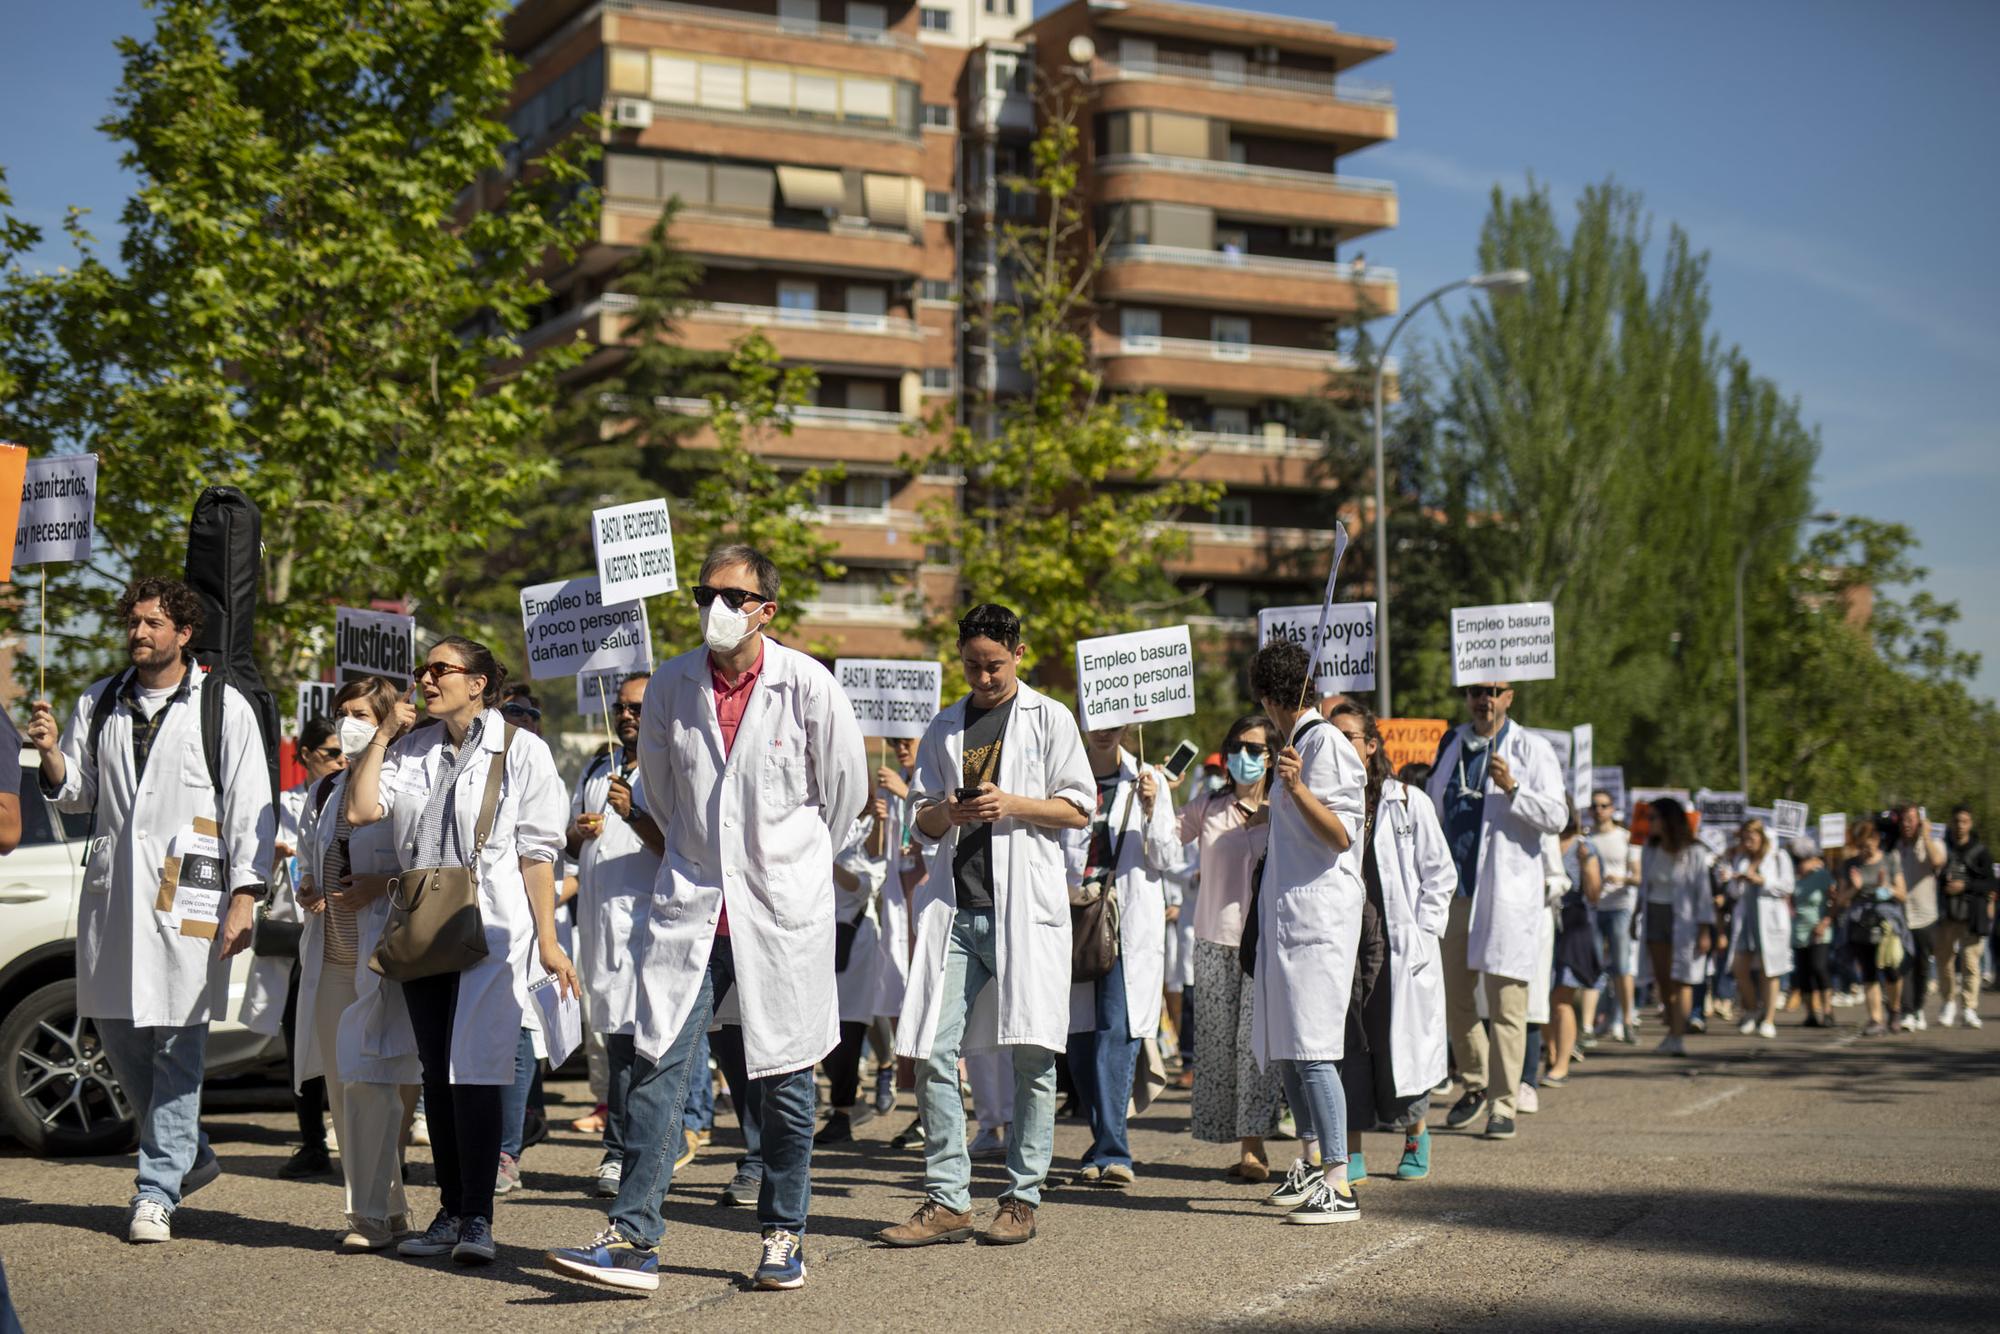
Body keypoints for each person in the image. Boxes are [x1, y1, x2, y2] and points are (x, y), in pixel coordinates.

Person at [550, 544, 866, 1292]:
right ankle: (633, 1239)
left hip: (780, 908)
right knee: (658, 1066)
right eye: (705, 593)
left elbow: (845, 797)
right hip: (691, 904)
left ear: (767, 609)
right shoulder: (669, 684)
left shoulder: (809, 687)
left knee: (785, 1081)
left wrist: (788, 861)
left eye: (732, 595)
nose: (714, 607)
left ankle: (782, 1234)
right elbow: (660, 789)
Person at [26, 576, 276, 1244]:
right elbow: (76, 796)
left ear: (184, 633)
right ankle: (189, 1153)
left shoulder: (222, 705)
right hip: (117, 893)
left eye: (152, 623)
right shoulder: (100, 700)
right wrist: (50, 754)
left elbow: (252, 804)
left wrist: (247, 894)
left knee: (178, 1039)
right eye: (132, 623)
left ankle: (156, 1189)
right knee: (117, 1030)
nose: (139, 633)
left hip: (191, 894)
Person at [344, 636, 576, 1266]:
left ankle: (479, 1217)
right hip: (423, 923)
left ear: (478, 682)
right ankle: (450, 1210)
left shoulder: (522, 750)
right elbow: (364, 809)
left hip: (492, 929)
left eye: (441, 669)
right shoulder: (411, 747)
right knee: (436, 1077)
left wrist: (549, 944)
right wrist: (385, 736)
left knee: (476, 1072)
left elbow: (538, 853)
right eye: (423, 670)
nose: (426, 679)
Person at [878, 603, 1092, 1248]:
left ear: (1018, 654)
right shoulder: (947, 724)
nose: (984, 677)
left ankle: (1022, 1198)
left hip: (1023, 911)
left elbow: (1079, 807)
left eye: (994, 664)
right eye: (972, 665)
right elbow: (920, 822)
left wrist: (1012, 804)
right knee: (933, 1050)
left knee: (1031, 1053)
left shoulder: (1049, 717)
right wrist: (948, 811)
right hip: (956, 911)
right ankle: (948, 1199)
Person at [294, 676, 423, 1250]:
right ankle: (391, 1211)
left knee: (373, 1084)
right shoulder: (325, 791)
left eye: (361, 714)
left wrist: (383, 884)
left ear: (389, 720)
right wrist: (307, 885)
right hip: (331, 957)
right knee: (346, 1090)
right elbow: (307, 856)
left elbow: (428, 864)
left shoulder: (408, 778)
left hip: (380, 957)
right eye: (342, 712)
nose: (348, 722)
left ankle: (367, 1215)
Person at [1244, 642, 1365, 1224]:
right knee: (1291, 1050)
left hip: (1319, 922)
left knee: (1315, 1051)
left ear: (1270, 700)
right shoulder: (1301, 746)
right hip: (1289, 919)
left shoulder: (1328, 746)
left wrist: (1295, 789)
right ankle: (1314, 1163)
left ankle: (1340, 1182)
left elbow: (1340, 834)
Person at [1422, 681, 1566, 1141]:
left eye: (1494, 691)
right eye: (1475, 691)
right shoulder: (1452, 744)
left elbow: (1557, 817)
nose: (1483, 699)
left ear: (1510, 697)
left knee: (1506, 1002)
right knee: (1455, 998)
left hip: (1504, 893)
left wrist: (1514, 787)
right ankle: (1477, 1082)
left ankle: (1503, 1103)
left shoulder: (1532, 749)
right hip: (1454, 891)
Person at [1321, 702, 1453, 1188]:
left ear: (1372, 746)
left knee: (1402, 1045)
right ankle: (1350, 1149)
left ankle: (1416, 1135)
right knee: (1349, 1043)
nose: (1339, 746)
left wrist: (1424, 933)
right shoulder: (1327, 803)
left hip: (1398, 946)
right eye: (1331, 738)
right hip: (1342, 942)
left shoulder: (1408, 801)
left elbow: (1441, 874)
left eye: (1348, 737)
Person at [1062, 722, 1182, 1188]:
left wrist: (1153, 809)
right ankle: (1101, 1141)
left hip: (1123, 924)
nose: (1103, 732)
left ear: (1129, 725)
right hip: (1073, 921)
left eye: (1114, 723)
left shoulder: (1146, 778)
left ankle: (1114, 1150)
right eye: (1095, 720)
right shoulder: (1063, 778)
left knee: (1116, 1031)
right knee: (1079, 1039)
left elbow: (1167, 857)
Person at [566, 672, 664, 1199]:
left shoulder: (666, 766)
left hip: (646, 929)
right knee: (614, 1042)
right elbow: (567, 844)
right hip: (600, 931)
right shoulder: (598, 768)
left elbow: (679, 845)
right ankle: (627, 1148)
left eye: (637, 708)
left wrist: (634, 814)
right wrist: (578, 832)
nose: (626, 716)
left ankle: (623, 1151)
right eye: (622, 709)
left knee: (635, 1049)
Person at [1177, 714, 1279, 1180]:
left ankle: (1254, 1145)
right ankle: (1237, 1139)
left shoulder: (1284, 807)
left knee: (1255, 1047)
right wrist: (1157, 797)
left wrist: (1275, 815)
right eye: (1238, 746)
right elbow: (1163, 844)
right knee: (1219, 1050)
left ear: (1273, 755)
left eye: (1256, 748)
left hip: (1265, 943)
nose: (1246, 756)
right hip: (1214, 941)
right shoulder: (1207, 807)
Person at [252, 715, 343, 1182]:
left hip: (345, 932)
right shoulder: (285, 805)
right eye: (330, 752)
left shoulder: (352, 794)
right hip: (298, 938)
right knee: (301, 1035)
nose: (340, 759)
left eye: (343, 751)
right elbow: (252, 870)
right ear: (306, 756)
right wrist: (275, 855)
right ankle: (311, 1142)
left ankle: (366, 1144)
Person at [821, 804, 889, 1145]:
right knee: (817, 1027)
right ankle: (849, 1101)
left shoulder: (873, 828)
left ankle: (844, 1111)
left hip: (855, 939)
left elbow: (863, 886)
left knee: (847, 1028)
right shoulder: (823, 820)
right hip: (818, 934)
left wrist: (823, 859)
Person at [1638, 799, 1716, 1057]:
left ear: (1668, 820)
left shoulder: (1694, 852)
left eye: (1654, 818)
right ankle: (1671, 1030)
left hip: (1683, 920)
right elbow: (1643, 888)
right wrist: (1635, 917)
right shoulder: (1649, 849)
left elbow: (1703, 894)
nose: (1649, 824)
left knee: (1681, 978)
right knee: (1663, 980)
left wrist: (1705, 930)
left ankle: (1678, 1036)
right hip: (1655, 915)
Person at [1834, 816, 1908, 1037]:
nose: (1865, 850)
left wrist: (1885, 888)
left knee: (1891, 969)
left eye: (1868, 845)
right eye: (1861, 846)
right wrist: (1854, 888)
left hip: (1886, 920)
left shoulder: (1890, 860)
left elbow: (1902, 894)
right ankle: (1875, 1018)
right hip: (1860, 921)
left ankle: (1894, 1010)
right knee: (1868, 971)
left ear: (1876, 840)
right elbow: (1841, 900)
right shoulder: (1850, 865)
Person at [1545, 810, 1602, 1082]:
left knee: (1561, 999)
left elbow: (1594, 895)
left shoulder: (1584, 847)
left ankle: (1562, 1063)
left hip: (1573, 926)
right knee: (1543, 998)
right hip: (1544, 925)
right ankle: (1551, 1053)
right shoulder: (1542, 840)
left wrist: (1586, 862)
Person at [1724, 819, 1794, 1039]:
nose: (1748, 841)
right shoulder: (1741, 859)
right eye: (1744, 837)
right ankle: (1753, 1009)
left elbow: (1788, 886)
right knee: (1739, 969)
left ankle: (1769, 1019)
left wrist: (1762, 881)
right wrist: (1734, 879)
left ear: (1762, 837)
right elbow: (1734, 894)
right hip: (1746, 921)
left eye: (1752, 836)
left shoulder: (1778, 857)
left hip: (1770, 920)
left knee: (1769, 971)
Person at [1582, 790, 1641, 1044]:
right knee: (1592, 967)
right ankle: (1586, 1025)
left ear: (1612, 808)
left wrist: (1622, 879)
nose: (1599, 810)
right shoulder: (1586, 839)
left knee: (1622, 966)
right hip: (1594, 908)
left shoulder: (1625, 838)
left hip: (1620, 906)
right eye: (1595, 806)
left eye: (1604, 805)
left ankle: (1627, 1020)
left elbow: (1638, 876)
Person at [1891, 805, 1947, 1031]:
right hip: (1902, 915)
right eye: (1904, 819)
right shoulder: (1896, 847)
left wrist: (1925, 834)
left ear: (1920, 821)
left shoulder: (1934, 843)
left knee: (1922, 966)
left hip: (1925, 916)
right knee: (1903, 965)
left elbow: (1936, 862)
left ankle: (1918, 1009)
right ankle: (1906, 1011)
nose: (1906, 824)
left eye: (1911, 820)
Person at [1938, 806, 1992, 1028]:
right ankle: (1948, 1003)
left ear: (1970, 824)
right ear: (1951, 823)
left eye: (1964, 821)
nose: (1960, 826)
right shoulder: (1942, 849)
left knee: (1971, 963)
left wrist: (1965, 885)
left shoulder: (1981, 851)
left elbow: (1991, 882)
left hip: (1972, 916)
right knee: (1945, 962)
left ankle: (1969, 1007)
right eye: (1957, 821)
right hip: (1946, 914)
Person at [1788, 838, 1836, 1028]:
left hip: (1819, 930)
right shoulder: (1793, 878)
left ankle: (1827, 1010)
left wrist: (1825, 921)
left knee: (1819, 967)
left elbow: (1834, 900)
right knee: (1804, 973)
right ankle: (1811, 1013)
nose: (1800, 864)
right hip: (1799, 931)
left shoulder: (1823, 876)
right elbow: (1790, 902)